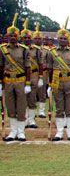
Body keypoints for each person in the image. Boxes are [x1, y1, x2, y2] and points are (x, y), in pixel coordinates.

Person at [46, 18, 70, 141]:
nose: (62, 40)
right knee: (59, 107)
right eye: (60, 38)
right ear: (58, 39)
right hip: (57, 80)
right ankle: (59, 132)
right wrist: (50, 83)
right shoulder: (51, 52)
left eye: (65, 38)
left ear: (68, 40)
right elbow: (49, 69)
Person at [0, 13, 32, 141]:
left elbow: (28, 67)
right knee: (10, 106)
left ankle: (21, 131)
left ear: (18, 37)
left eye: (14, 35)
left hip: (20, 80)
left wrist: (28, 83)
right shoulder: (2, 49)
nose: (12, 37)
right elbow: (1, 67)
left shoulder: (24, 49)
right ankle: (13, 131)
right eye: (10, 35)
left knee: (21, 106)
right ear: (7, 36)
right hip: (7, 80)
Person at [19, 19, 41, 129]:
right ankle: (24, 118)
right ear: (21, 38)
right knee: (22, 98)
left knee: (32, 97)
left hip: (33, 75)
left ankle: (31, 120)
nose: (27, 39)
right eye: (25, 38)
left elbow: (40, 64)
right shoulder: (19, 49)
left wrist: (40, 77)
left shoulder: (36, 50)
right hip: (21, 75)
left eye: (28, 38)